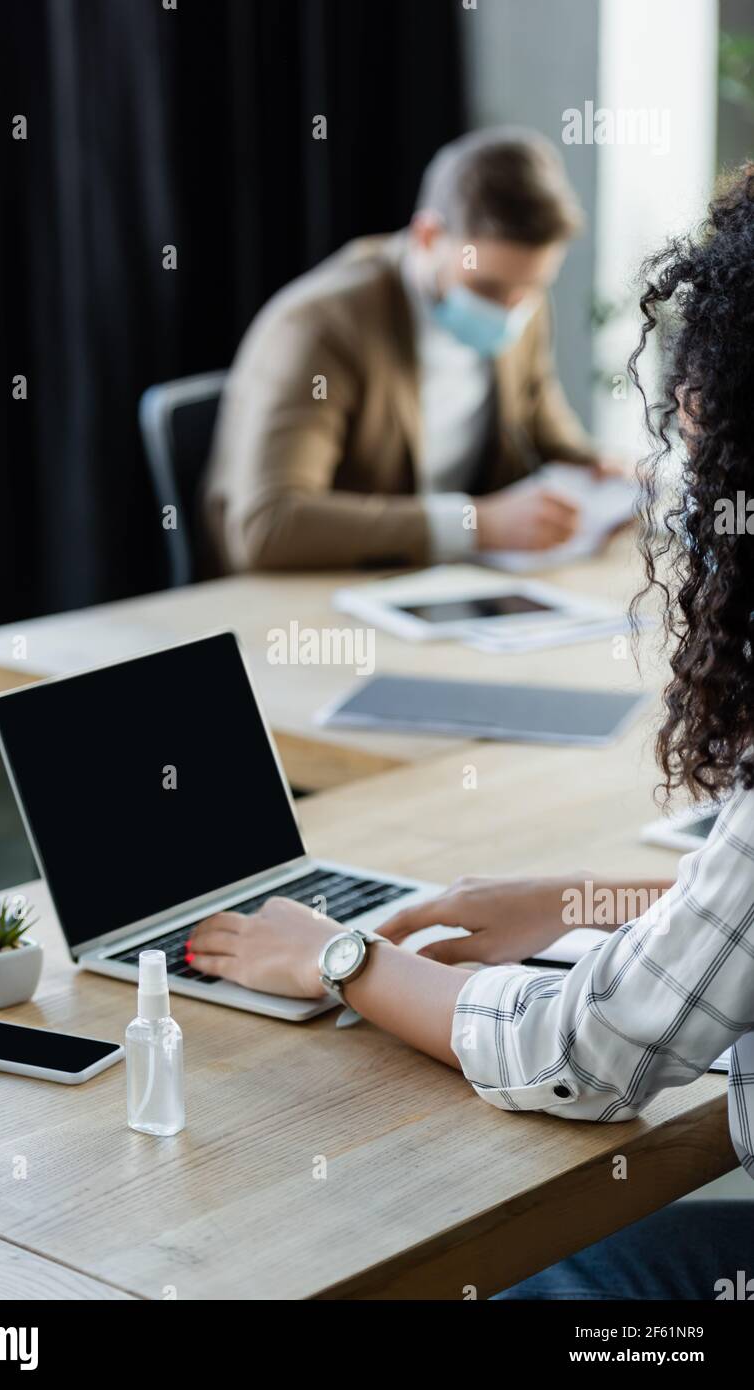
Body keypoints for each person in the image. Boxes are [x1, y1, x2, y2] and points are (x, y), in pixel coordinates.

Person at [190, 164, 754, 1298]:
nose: (685, 491)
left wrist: (344, 958)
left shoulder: (504, 312)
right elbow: (261, 519)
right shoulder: (324, 322)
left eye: (704, 452)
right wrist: (582, 901)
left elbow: (585, 1057)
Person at [202, 127, 622, 574]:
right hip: (325, 597)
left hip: (455, 586)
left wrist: (605, 472)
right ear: (426, 236)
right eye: (487, 288)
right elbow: (270, 526)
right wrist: (474, 524)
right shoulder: (319, 328)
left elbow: (543, 427)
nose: (511, 311)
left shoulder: (521, 297)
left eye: (533, 287)